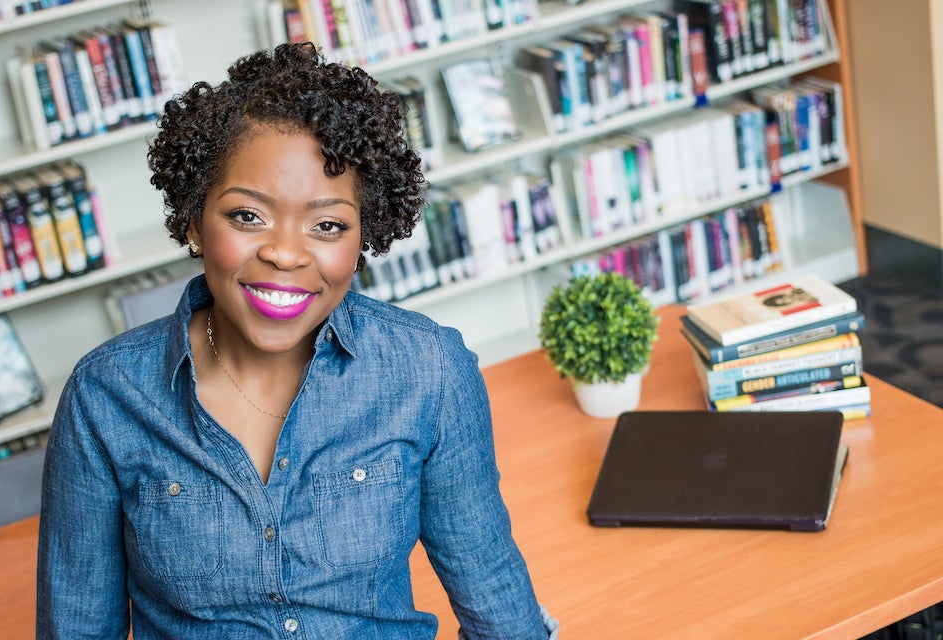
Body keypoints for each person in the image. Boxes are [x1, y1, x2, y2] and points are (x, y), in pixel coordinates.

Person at [36, 42, 558, 639]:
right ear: (192, 220)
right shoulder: (105, 396)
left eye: (327, 225)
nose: (285, 252)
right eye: (247, 216)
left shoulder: (429, 371)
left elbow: (490, 587)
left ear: (364, 237)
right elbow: (76, 626)